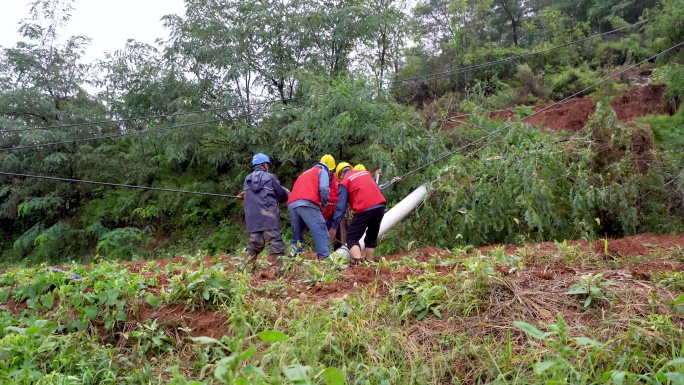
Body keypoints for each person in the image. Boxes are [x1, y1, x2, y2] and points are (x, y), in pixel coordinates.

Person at [241, 153, 290, 271]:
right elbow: (282, 195)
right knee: (275, 243)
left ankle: (246, 270)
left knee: (255, 243)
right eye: (268, 164)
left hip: (252, 218)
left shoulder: (247, 179)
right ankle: (279, 270)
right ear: (264, 164)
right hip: (268, 215)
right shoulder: (270, 177)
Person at [337, 165, 386, 264]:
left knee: (351, 237)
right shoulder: (366, 174)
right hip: (380, 206)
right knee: (372, 236)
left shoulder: (345, 181)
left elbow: (340, 207)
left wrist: (334, 226)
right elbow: (376, 188)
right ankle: (369, 261)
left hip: (364, 209)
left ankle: (357, 262)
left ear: (341, 175)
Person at [287, 158, 332, 260]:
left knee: (297, 237)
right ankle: (324, 260)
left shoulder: (303, 174)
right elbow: (324, 188)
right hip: (307, 203)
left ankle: (292, 260)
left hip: (292, 205)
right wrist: (324, 203)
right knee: (321, 230)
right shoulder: (322, 171)